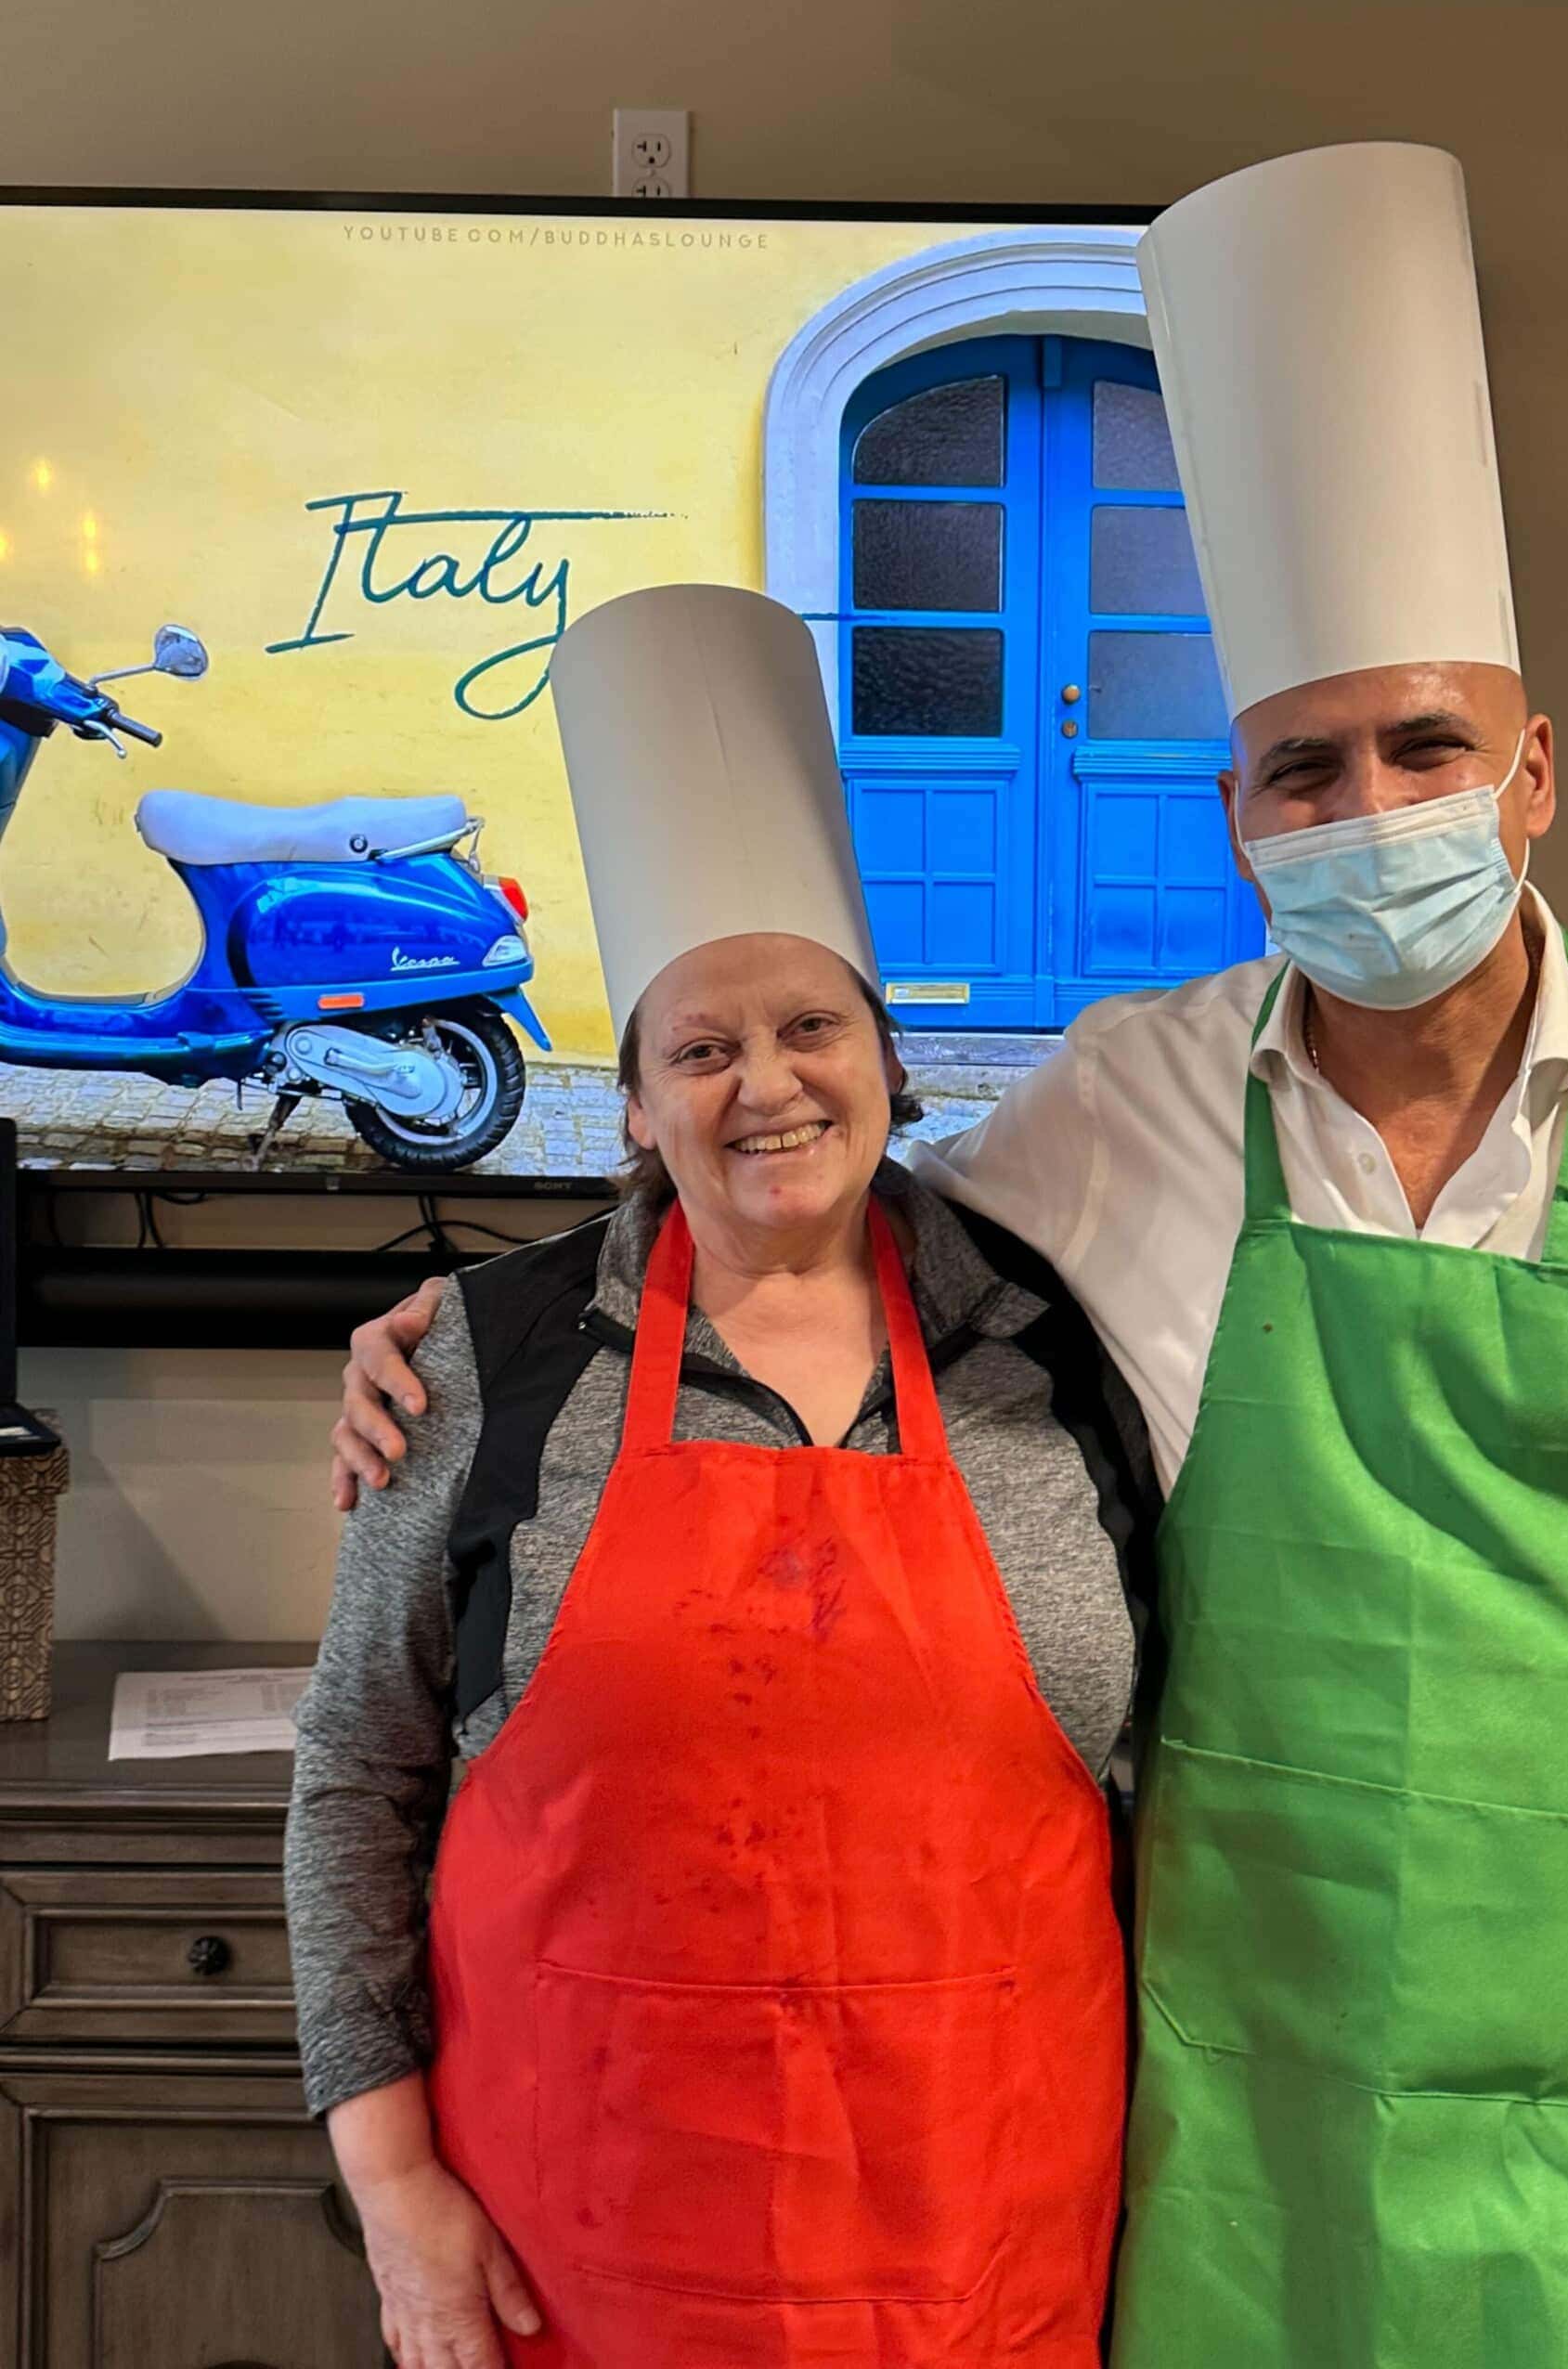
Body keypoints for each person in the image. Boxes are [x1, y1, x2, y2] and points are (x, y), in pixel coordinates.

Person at [337, 148, 1568, 2365]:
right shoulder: (1128, 1097)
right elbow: (785, 1184)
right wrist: (484, 1315)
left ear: (1537, 773)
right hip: (1234, 2140)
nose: (1368, 807)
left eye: (1425, 749)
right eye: (1305, 766)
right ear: (1234, 810)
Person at [291, 584, 1148, 2369]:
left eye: (811, 1029)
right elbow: (356, 1777)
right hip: (581, 2249)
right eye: (701, 1048)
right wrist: (390, 2190)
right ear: (632, 1107)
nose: (767, 1085)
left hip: (984, 2251)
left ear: (891, 1064)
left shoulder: (1060, 1354)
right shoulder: (485, 1363)